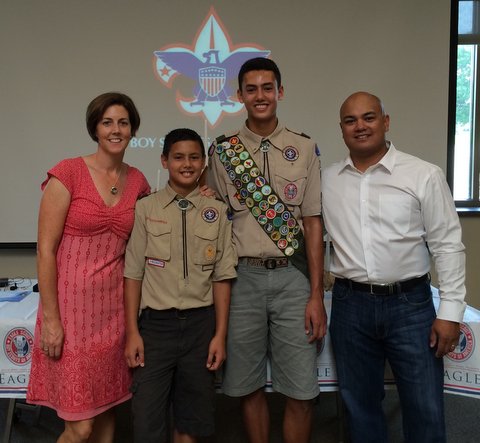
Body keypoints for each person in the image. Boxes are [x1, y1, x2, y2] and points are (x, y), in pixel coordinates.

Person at [322, 91, 466, 443]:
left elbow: (447, 245)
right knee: (360, 408)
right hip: (350, 306)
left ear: (386, 122)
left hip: (411, 306)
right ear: (341, 129)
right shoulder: (326, 181)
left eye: (369, 117)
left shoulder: (424, 175)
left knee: (424, 407)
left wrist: (450, 311)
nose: (360, 126)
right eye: (350, 120)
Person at [207, 57, 327, 443]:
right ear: (239, 95)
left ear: (280, 91)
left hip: (294, 279)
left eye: (267, 87)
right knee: (247, 387)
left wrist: (315, 293)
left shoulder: (305, 148)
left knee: (302, 391)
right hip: (243, 279)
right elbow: (213, 217)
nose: (260, 96)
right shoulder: (223, 151)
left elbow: (312, 222)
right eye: (251, 89)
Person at [27, 92, 150, 443]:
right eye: (107, 122)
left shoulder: (138, 181)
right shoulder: (68, 173)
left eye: (123, 123)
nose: (116, 129)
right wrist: (51, 319)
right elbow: (44, 250)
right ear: (95, 129)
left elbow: (156, 224)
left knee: (107, 414)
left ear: (132, 130)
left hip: (114, 316)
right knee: (79, 427)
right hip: (70, 316)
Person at [123, 128, 237, 443]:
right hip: (155, 328)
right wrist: (132, 331)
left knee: (192, 421)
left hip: (201, 326)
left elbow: (222, 277)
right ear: (164, 160)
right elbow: (133, 273)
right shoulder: (146, 208)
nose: (186, 164)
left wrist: (220, 335)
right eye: (178, 157)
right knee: (147, 419)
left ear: (203, 163)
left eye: (194, 157)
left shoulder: (217, 211)